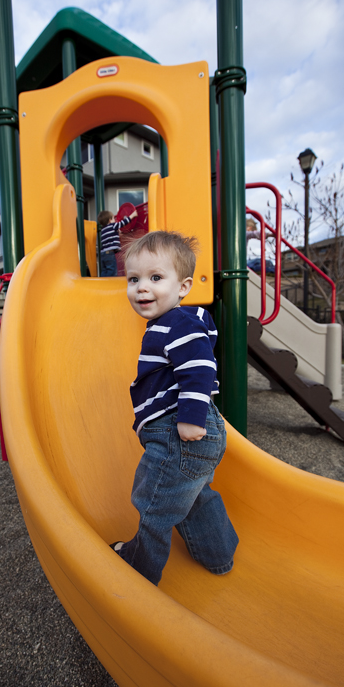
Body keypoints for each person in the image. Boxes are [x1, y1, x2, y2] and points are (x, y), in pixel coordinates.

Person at [110, 231, 238, 585]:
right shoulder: (178, 322)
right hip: (187, 432)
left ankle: (138, 568)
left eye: (155, 278)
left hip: (178, 431)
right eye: (133, 279)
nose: (141, 288)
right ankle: (219, 554)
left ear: (182, 287)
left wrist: (190, 418)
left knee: (153, 500)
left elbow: (199, 369)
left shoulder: (176, 323)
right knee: (195, 496)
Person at [97, 208, 138, 276]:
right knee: (112, 270)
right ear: (110, 220)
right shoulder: (113, 226)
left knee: (104, 270)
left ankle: (103, 283)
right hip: (110, 253)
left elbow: (110, 237)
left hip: (103, 254)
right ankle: (111, 284)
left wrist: (117, 233)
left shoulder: (103, 230)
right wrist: (132, 215)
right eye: (113, 218)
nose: (115, 220)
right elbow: (123, 223)